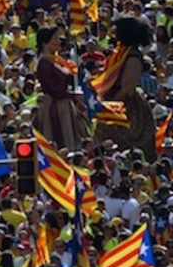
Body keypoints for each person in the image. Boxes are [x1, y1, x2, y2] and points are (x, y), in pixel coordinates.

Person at [94, 17, 157, 161]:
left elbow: (127, 88)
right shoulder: (119, 53)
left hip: (124, 107)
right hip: (109, 102)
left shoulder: (133, 57)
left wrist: (110, 106)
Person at [33, 27, 83, 151]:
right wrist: (73, 96)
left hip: (64, 104)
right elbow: (55, 90)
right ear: (45, 43)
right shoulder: (44, 64)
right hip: (55, 107)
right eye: (55, 38)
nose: (58, 41)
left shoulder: (55, 61)